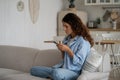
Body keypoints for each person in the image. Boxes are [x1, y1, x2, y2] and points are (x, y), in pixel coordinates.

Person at [30, 13, 94, 80]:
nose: (64, 29)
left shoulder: (83, 42)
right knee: (33, 69)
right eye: (63, 26)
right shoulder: (67, 39)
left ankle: (55, 75)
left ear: (74, 26)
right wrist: (62, 51)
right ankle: (55, 76)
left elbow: (79, 63)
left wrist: (68, 50)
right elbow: (64, 59)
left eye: (66, 26)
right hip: (62, 68)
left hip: (74, 72)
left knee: (56, 73)